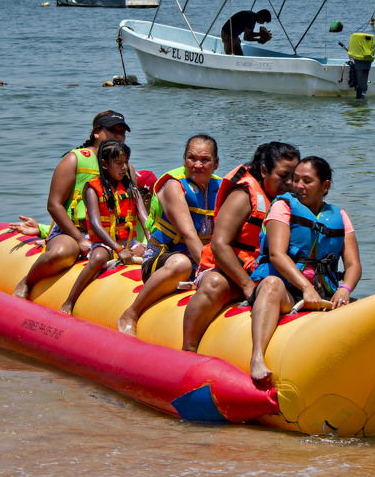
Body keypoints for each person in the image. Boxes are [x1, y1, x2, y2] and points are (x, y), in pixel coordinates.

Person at [246, 156, 361, 384]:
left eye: (307, 181)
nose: (298, 186)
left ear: (325, 186)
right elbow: (277, 254)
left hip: (323, 293)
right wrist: (306, 288)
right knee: (270, 284)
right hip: (287, 293)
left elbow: (353, 264)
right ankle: (257, 357)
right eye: (295, 179)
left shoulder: (339, 215)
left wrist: (345, 289)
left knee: (370, 310)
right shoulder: (282, 206)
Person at [181, 141, 299, 352]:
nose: (290, 183)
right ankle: (188, 349)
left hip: (265, 274)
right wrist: (247, 285)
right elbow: (219, 244)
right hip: (229, 273)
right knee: (215, 284)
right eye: (283, 176)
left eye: (294, 177)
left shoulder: (289, 202)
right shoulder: (242, 197)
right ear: (264, 170)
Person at [13, 110, 131, 301]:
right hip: (72, 231)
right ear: (96, 132)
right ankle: (27, 281)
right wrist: (80, 240)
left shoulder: (125, 167)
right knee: (62, 253)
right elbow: (54, 205)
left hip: (110, 234)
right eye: (112, 130)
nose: (118, 136)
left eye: (122, 132)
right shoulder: (75, 159)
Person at [116, 135, 221, 335]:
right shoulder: (174, 186)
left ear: (216, 163)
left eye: (205, 160)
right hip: (162, 261)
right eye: (192, 158)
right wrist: (211, 273)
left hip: (202, 261)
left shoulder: (222, 188)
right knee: (182, 263)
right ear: (184, 160)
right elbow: (189, 235)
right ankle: (131, 312)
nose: (197, 165)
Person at [59, 139, 148, 314]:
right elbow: (95, 224)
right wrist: (117, 248)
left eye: (125, 163)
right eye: (118, 163)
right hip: (105, 243)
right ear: (105, 164)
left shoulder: (131, 189)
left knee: (155, 257)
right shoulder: (93, 189)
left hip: (129, 242)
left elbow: (145, 220)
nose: (124, 168)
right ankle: (70, 300)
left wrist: (153, 245)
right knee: (98, 258)